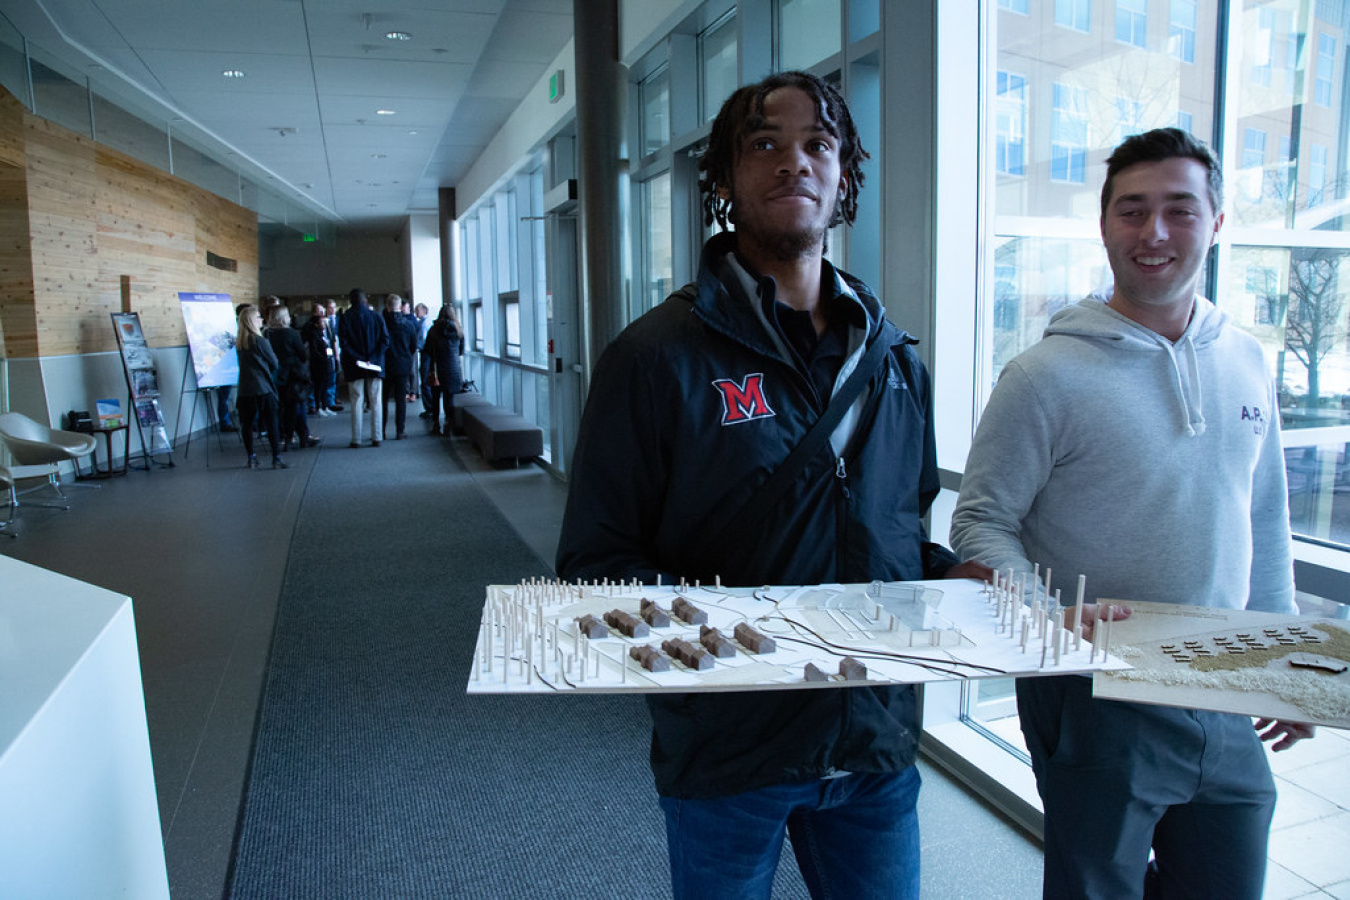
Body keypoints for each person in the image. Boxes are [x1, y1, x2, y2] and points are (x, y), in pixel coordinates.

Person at [555, 71, 989, 900]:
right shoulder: (655, 359)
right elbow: (596, 563)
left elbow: (892, 530)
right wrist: (719, 636)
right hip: (731, 750)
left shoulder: (895, 362)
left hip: (874, 741)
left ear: (843, 175)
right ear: (724, 177)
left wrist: (947, 575)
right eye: (765, 145)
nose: (795, 162)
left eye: (817, 144)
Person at [950, 127, 1314, 900]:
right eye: (1132, 210)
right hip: (1095, 693)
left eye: (1180, 210)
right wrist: (1045, 618)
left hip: (1221, 680)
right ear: (1105, 224)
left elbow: (1264, 515)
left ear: (1217, 223)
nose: (1154, 232)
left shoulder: (1247, 358)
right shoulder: (1044, 377)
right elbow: (981, 523)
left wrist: (1281, 665)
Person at [235, 306, 286, 469]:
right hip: (263, 387)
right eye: (258, 317)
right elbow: (274, 362)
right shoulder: (260, 340)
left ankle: (251, 457)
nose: (261, 320)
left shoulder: (239, 342)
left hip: (245, 389)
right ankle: (276, 458)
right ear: (252, 321)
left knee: (247, 424)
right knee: (271, 423)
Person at [338, 288, 389, 447]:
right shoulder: (376, 316)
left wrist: (358, 358)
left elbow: (344, 343)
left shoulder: (345, 318)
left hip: (354, 366)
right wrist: (372, 358)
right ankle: (377, 437)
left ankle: (356, 439)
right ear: (365, 300)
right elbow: (385, 340)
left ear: (350, 301)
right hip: (375, 364)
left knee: (356, 401)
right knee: (376, 401)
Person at [265, 305, 319, 450]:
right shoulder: (292, 333)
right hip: (295, 376)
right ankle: (300, 436)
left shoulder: (267, 334)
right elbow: (302, 354)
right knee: (298, 405)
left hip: (277, 375)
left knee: (283, 407)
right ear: (284, 317)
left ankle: (289, 436)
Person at [381, 293, 418, 440]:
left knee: (383, 399)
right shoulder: (408, 324)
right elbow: (413, 346)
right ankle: (400, 431)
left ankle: (381, 431)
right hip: (403, 365)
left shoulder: (382, 323)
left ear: (387, 306)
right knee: (400, 400)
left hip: (385, 365)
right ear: (400, 307)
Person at [423, 304, 464, 436]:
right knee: (449, 397)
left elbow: (427, 349)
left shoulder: (433, 330)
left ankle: (436, 424)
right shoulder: (458, 330)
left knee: (435, 396)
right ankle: (448, 422)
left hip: (437, 367)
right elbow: (461, 351)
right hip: (453, 368)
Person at [302, 302, 336, 417]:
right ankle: (317, 406)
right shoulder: (312, 333)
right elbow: (313, 350)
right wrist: (323, 358)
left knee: (325, 385)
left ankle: (325, 406)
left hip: (326, 363)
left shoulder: (324, 333)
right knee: (318, 386)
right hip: (317, 364)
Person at [414, 302, 434, 418]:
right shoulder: (421, 322)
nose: (416, 312)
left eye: (418, 310)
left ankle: (429, 408)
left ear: (425, 311)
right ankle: (429, 407)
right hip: (424, 353)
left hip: (426, 353)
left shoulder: (425, 323)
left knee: (425, 380)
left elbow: (425, 339)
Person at [324, 299, 344, 413]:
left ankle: (336, 395)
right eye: (329, 308)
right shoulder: (324, 321)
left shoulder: (339, 320)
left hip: (340, 349)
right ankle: (330, 398)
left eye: (333, 307)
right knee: (332, 374)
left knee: (338, 374)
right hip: (329, 352)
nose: (332, 310)